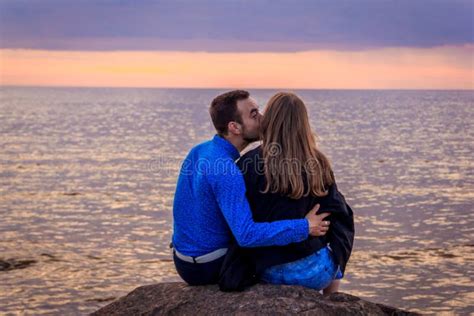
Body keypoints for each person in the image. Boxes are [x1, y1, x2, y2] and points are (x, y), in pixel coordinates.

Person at [171, 90, 332, 286]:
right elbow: (246, 236)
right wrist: (305, 226)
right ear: (235, 127)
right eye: (254, 114)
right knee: (257, 243)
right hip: (209, 267)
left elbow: (185, 209)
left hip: (182, 262)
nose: (264, 118)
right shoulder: (228, 171)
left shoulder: (199, 151)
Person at [219, 92, 354, 293]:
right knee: (338, 214)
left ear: (270, 122)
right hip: (316, 272)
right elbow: (340, 217)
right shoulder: (318, 163)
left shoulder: (248, 163)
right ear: (303, 125)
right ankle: (331, 297)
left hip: (267, 271)